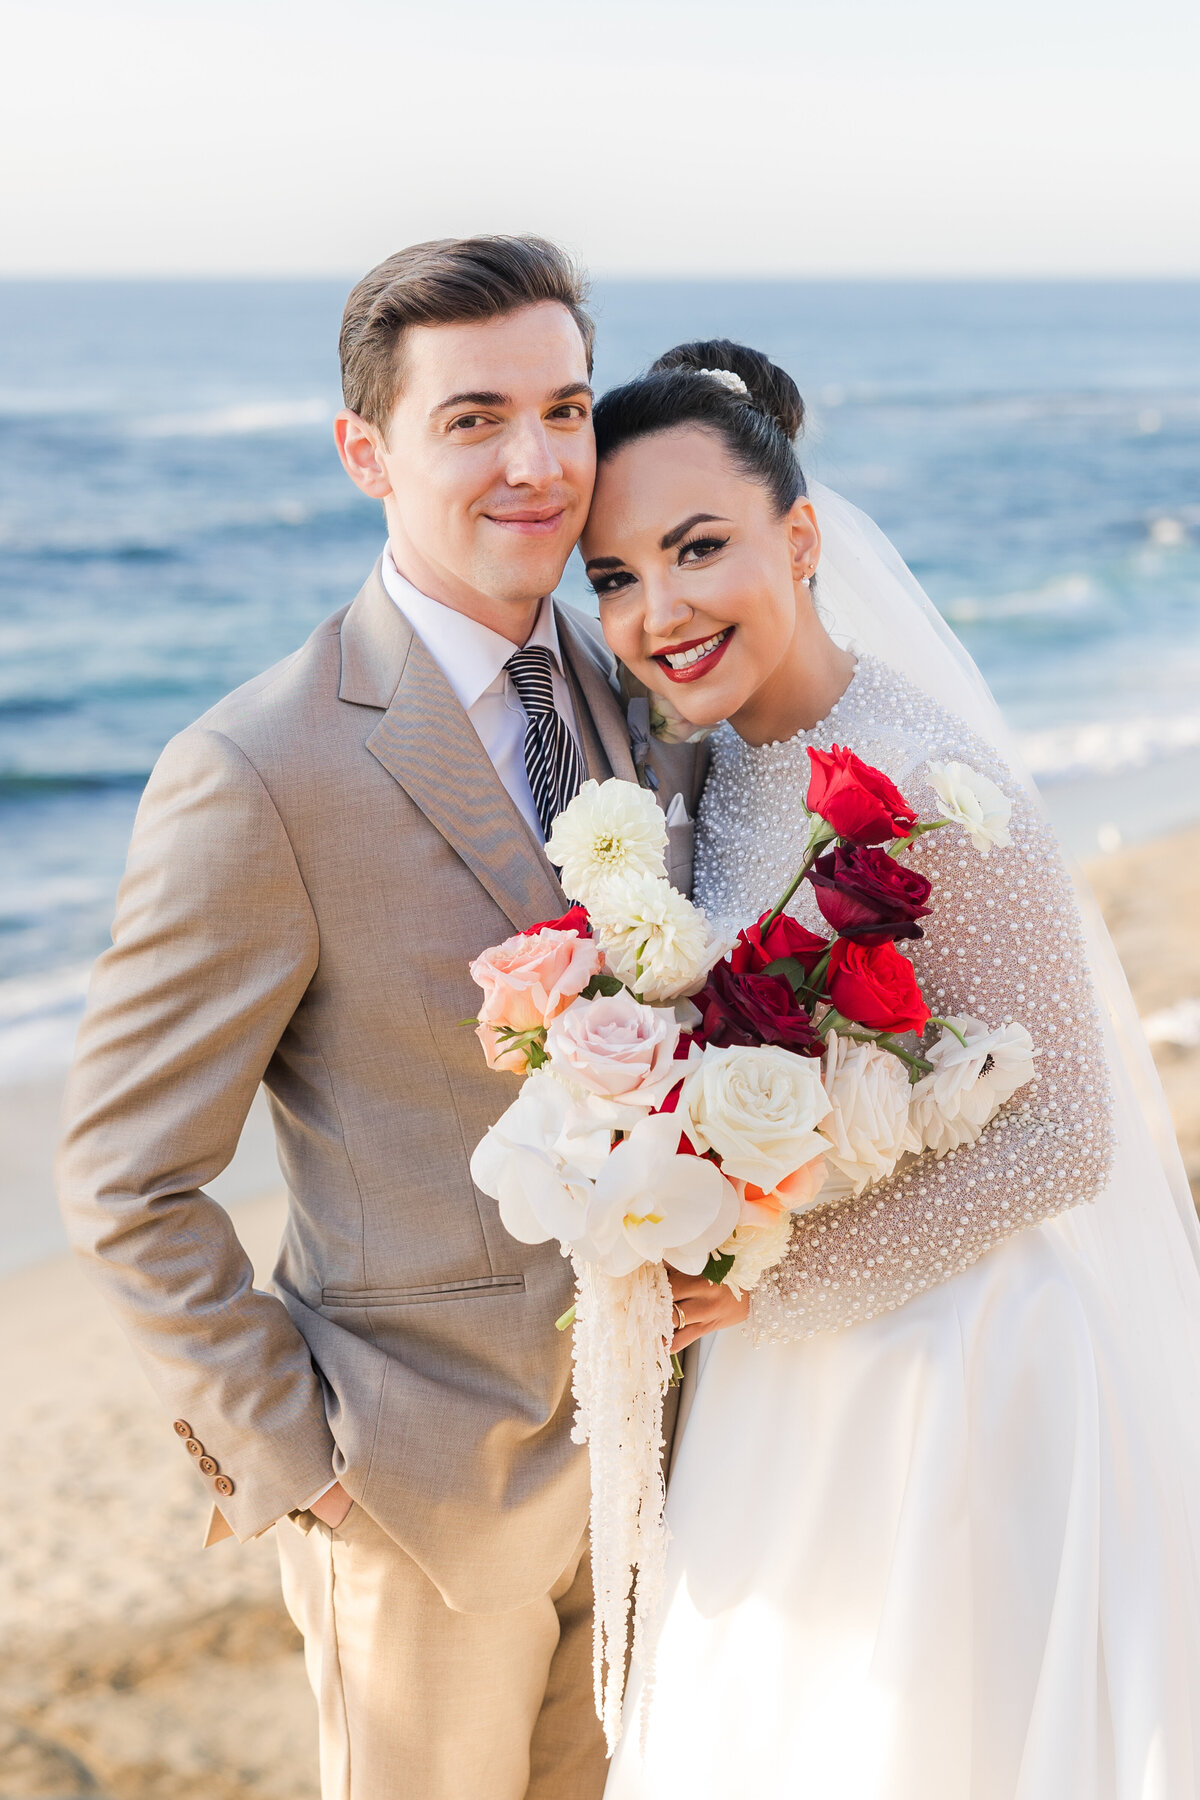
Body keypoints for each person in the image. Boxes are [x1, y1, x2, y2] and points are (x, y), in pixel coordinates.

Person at [55, 237, 705, 1800]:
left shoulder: (649, 682)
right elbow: (123, 1178)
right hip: (417, 1514)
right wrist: (310, 1477)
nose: (538, 464)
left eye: (564, 408)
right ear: (368, 452)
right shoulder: (261, 771)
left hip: (669, 1475)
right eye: (473, 418)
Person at [580, 340, 1200, 1798]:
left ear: (800, 540)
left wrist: (783, 1278)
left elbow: (1067, 1138)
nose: (657, 611)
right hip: (775, 1370)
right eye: (612, 576)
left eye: (697, 549)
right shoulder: (722, 767)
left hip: (951, 1368)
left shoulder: (928, 781)